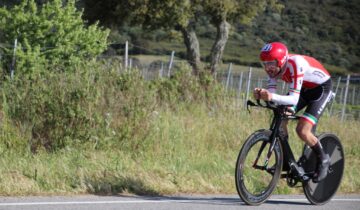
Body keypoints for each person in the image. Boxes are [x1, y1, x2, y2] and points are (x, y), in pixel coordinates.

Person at [254, 42, 333, 182]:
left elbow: (293, 100)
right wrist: (263, 95)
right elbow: (273, 99)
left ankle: (324, 159)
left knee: (302, 130)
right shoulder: (273, 70)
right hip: (304, 89)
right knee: (280, 119)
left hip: (321, 89)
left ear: (282, 60)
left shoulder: (295, 64)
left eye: (271, 63)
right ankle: (286, 161)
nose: (267, 67)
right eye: (264, 63)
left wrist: (271, 96)